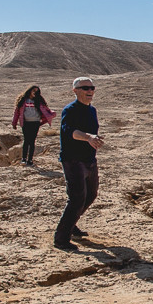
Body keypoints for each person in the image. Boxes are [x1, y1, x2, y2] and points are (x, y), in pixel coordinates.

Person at [53, 77, 103, 252]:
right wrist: (88, 137)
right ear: (75, 91)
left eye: (92, 88)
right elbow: (69, 131)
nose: (90, 91)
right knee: (77, 198)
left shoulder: (92, 110)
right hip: (73, 159)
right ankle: (61, 238)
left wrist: (94, 140)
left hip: (89, 159)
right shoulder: (70, 110)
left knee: (91, 195)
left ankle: (71, 223)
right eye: (85, 88)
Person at [12, 85, 55, 166]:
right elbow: (16, 112)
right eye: (34, 91)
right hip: (25, 123)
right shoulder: (23, 100)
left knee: (32, 141)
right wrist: (14, 123)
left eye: (37, 91)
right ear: (30, 91)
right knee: (26, 141)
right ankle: (24, 159)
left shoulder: (39, 101)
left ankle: (30, 160)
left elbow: (46, 110)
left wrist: (51, 115)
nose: (35, 93)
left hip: (35, 123)